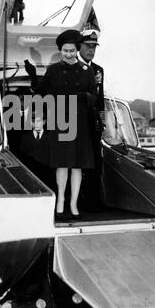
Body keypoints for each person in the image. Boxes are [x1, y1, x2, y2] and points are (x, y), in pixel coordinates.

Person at [25, 30, 97, 221]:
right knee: (62, 164)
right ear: (61, 51)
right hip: (61, 121)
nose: (68, 54)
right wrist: (33, 78)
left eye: (72, 50)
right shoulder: (54, 70)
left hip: (80, 122)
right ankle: (61, 201)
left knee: (77, 166)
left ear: (77, 50)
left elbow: (94, 96)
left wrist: (82, 97)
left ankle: (73, 204)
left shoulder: (87, 71)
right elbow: (40, 92)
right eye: (65, 50)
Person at [79, 29, 105, 211]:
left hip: (93, 124)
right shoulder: (72, 68)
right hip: (77, 122)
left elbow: (100, 101)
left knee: (95, 163)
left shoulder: (98, 70)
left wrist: (101, 123)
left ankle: (93, 205)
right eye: (88, 46)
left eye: (94, 47)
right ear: (79, 46)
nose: (91, 50)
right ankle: (78, 203)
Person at [19, 110, 53, 188]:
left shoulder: (51, 138)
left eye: (38, 121)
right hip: (30, 175)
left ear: (44, 122)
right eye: (33, 121)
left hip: (47, 176)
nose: (36, 124)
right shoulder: (25, 138)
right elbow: (22, 157)